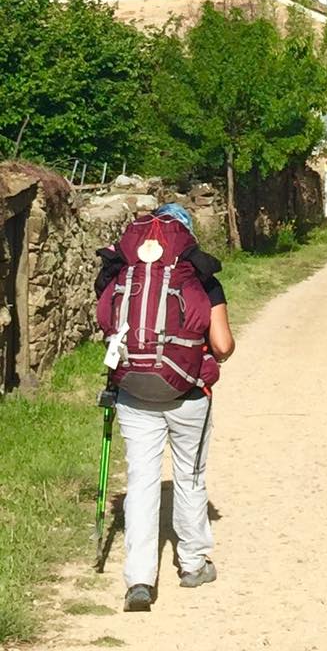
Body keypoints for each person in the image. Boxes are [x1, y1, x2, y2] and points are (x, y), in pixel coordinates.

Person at [95, 203, 235, 612]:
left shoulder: (124, 272)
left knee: (141, 481)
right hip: (188, 394)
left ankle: (139, 580)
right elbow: (223, 345)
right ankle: (192, 564)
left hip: (133, 391)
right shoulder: (201, 276)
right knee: (189, 477)